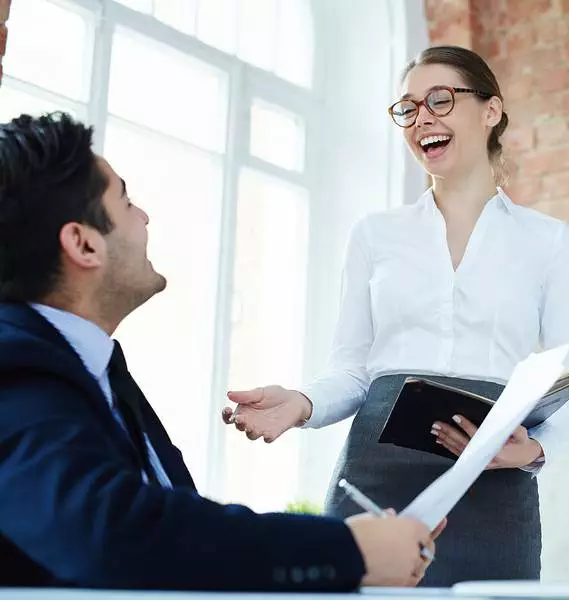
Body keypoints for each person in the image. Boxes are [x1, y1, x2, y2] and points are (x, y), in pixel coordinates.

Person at [0, 112, 442, 591]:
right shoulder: (16, 368)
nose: (145, 217)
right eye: (126, 202)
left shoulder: (94, 367)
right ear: (84, 244)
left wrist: (361, 546)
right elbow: (114, 532)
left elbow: (171, 525)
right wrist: (349, 552)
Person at [221, 45, 569, 586]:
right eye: (408, 107)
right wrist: (302, 404)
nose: (423, 118)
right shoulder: (375, 234)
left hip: (492, 479)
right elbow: (352, 371)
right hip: (377, 477)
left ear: (491, 110)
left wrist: (535, 451)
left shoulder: (551, 242)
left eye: (440, 100)